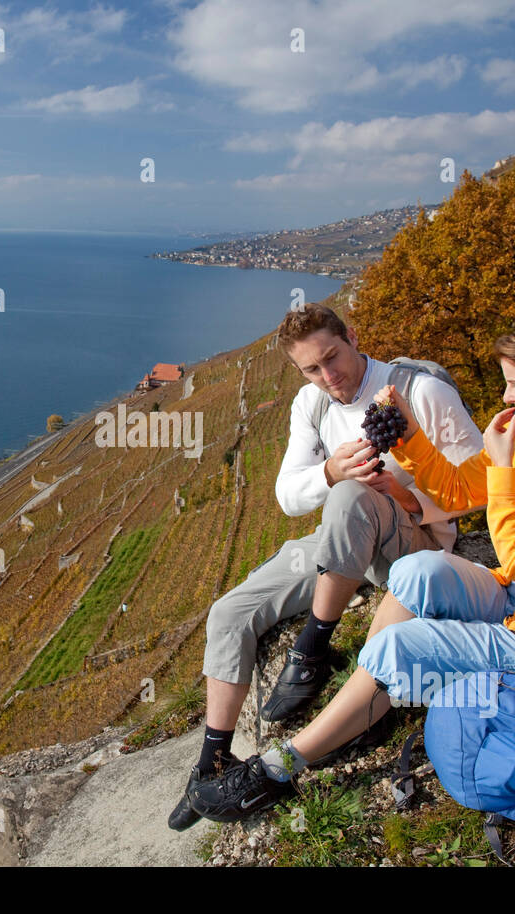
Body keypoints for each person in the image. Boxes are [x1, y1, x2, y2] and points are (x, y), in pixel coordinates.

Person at [188, 313, 515, 822]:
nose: (508, 398)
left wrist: (505, 470)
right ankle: (367, 700)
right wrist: (407, 435)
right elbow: (460, 488)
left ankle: (277, 767)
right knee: (415, 571)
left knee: (401, 647)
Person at [168, 303, 483, 830]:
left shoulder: (420, 391)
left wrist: (402, 496)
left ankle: (313, 647)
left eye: (333, 358)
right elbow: (288, 495)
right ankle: (211, 763)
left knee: (352, 496)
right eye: (312, 369)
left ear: (353, 337)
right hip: (345, 538)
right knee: (228, 613)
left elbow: (479, 486)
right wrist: (330, 471)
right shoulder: (311, 404)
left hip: (417, 540)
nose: (328, 376)